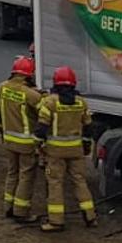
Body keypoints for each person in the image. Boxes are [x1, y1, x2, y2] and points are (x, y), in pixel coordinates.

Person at [35, 66, 96, 231]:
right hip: (76, 150)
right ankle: (90, 216)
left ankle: (56, 221)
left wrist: (38, 145)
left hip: (55, 152)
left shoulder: (50, 102)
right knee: (80, 181)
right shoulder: (81, 102)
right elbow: (89, 127)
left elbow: (41, 129)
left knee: (55, 183)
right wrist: (86, 144)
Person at [0, 57, 44, 223]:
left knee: (12, 173)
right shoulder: (30, 94)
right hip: (26, 143)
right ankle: (21, 212)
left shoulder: (2, 87)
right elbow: (44, 114)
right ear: (29, 75)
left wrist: (2, 132)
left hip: (8, 139)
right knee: (26, 176)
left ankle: (7, 207)